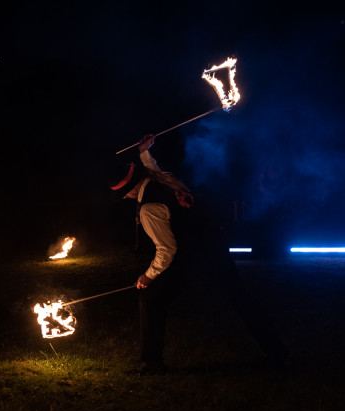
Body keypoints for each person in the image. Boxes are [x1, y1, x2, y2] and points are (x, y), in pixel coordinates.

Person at [108, 134, 290, 375]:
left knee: (151, 297)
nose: (125, 199)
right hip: (214, 241)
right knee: (241, 299)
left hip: (195, 255)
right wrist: (144, 152)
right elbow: (151, 168)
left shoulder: (148, 209)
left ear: (128, 193)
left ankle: (151, 364)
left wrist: (148, 275)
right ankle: (278, 355)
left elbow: (166, 250)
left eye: (123, 195)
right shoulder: (160, 181)